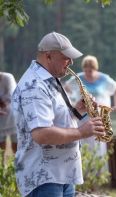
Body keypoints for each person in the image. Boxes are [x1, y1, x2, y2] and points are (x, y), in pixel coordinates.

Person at [11, 32, 105, 197]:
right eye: (66, 57)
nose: (71, 62)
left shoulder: (50, 79)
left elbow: (55, 120)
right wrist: (81, 132)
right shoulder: (34, 85)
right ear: (48, 56)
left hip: (60, 174)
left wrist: (77, 111)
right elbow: (42, 134)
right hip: (44, 179)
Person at [65, 55, 116, 158]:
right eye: (86, 71)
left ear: (95, 69)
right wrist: (72, 102)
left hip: (100, 116)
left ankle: (100, 171)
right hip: (83, 117)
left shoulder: (104, 78)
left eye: (90, 71)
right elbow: (66, 88)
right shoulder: (78, 78)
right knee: (84, 144)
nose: (88, 73)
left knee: (101, 145)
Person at [0, 71, 17, 154]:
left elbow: (12, 94)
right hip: (1, 117)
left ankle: (18, 165)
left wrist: (2, 102)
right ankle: (3, 166)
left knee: (16, 144)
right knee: (1, 146)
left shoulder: (8, 77)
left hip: (13, 114)